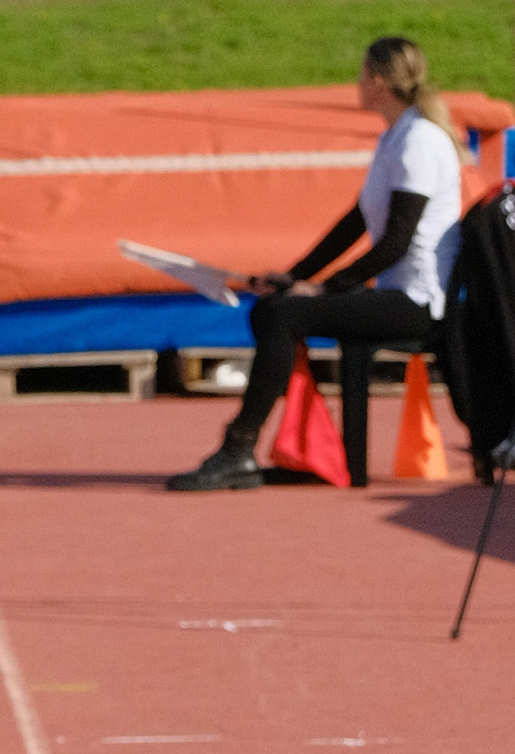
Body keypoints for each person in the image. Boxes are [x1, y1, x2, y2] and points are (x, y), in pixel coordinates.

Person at [169, 34, 464, 490]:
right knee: (277, 306)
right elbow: (355, 222)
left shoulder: (419, 141)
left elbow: (397, 243)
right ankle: (278, 446)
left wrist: (325, 289)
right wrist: (295, 275)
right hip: (394, 292)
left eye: (362, 73)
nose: (357, 82)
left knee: (282, 314)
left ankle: (239, 447)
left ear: (378, 80)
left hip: (416, 302)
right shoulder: (396, 136)